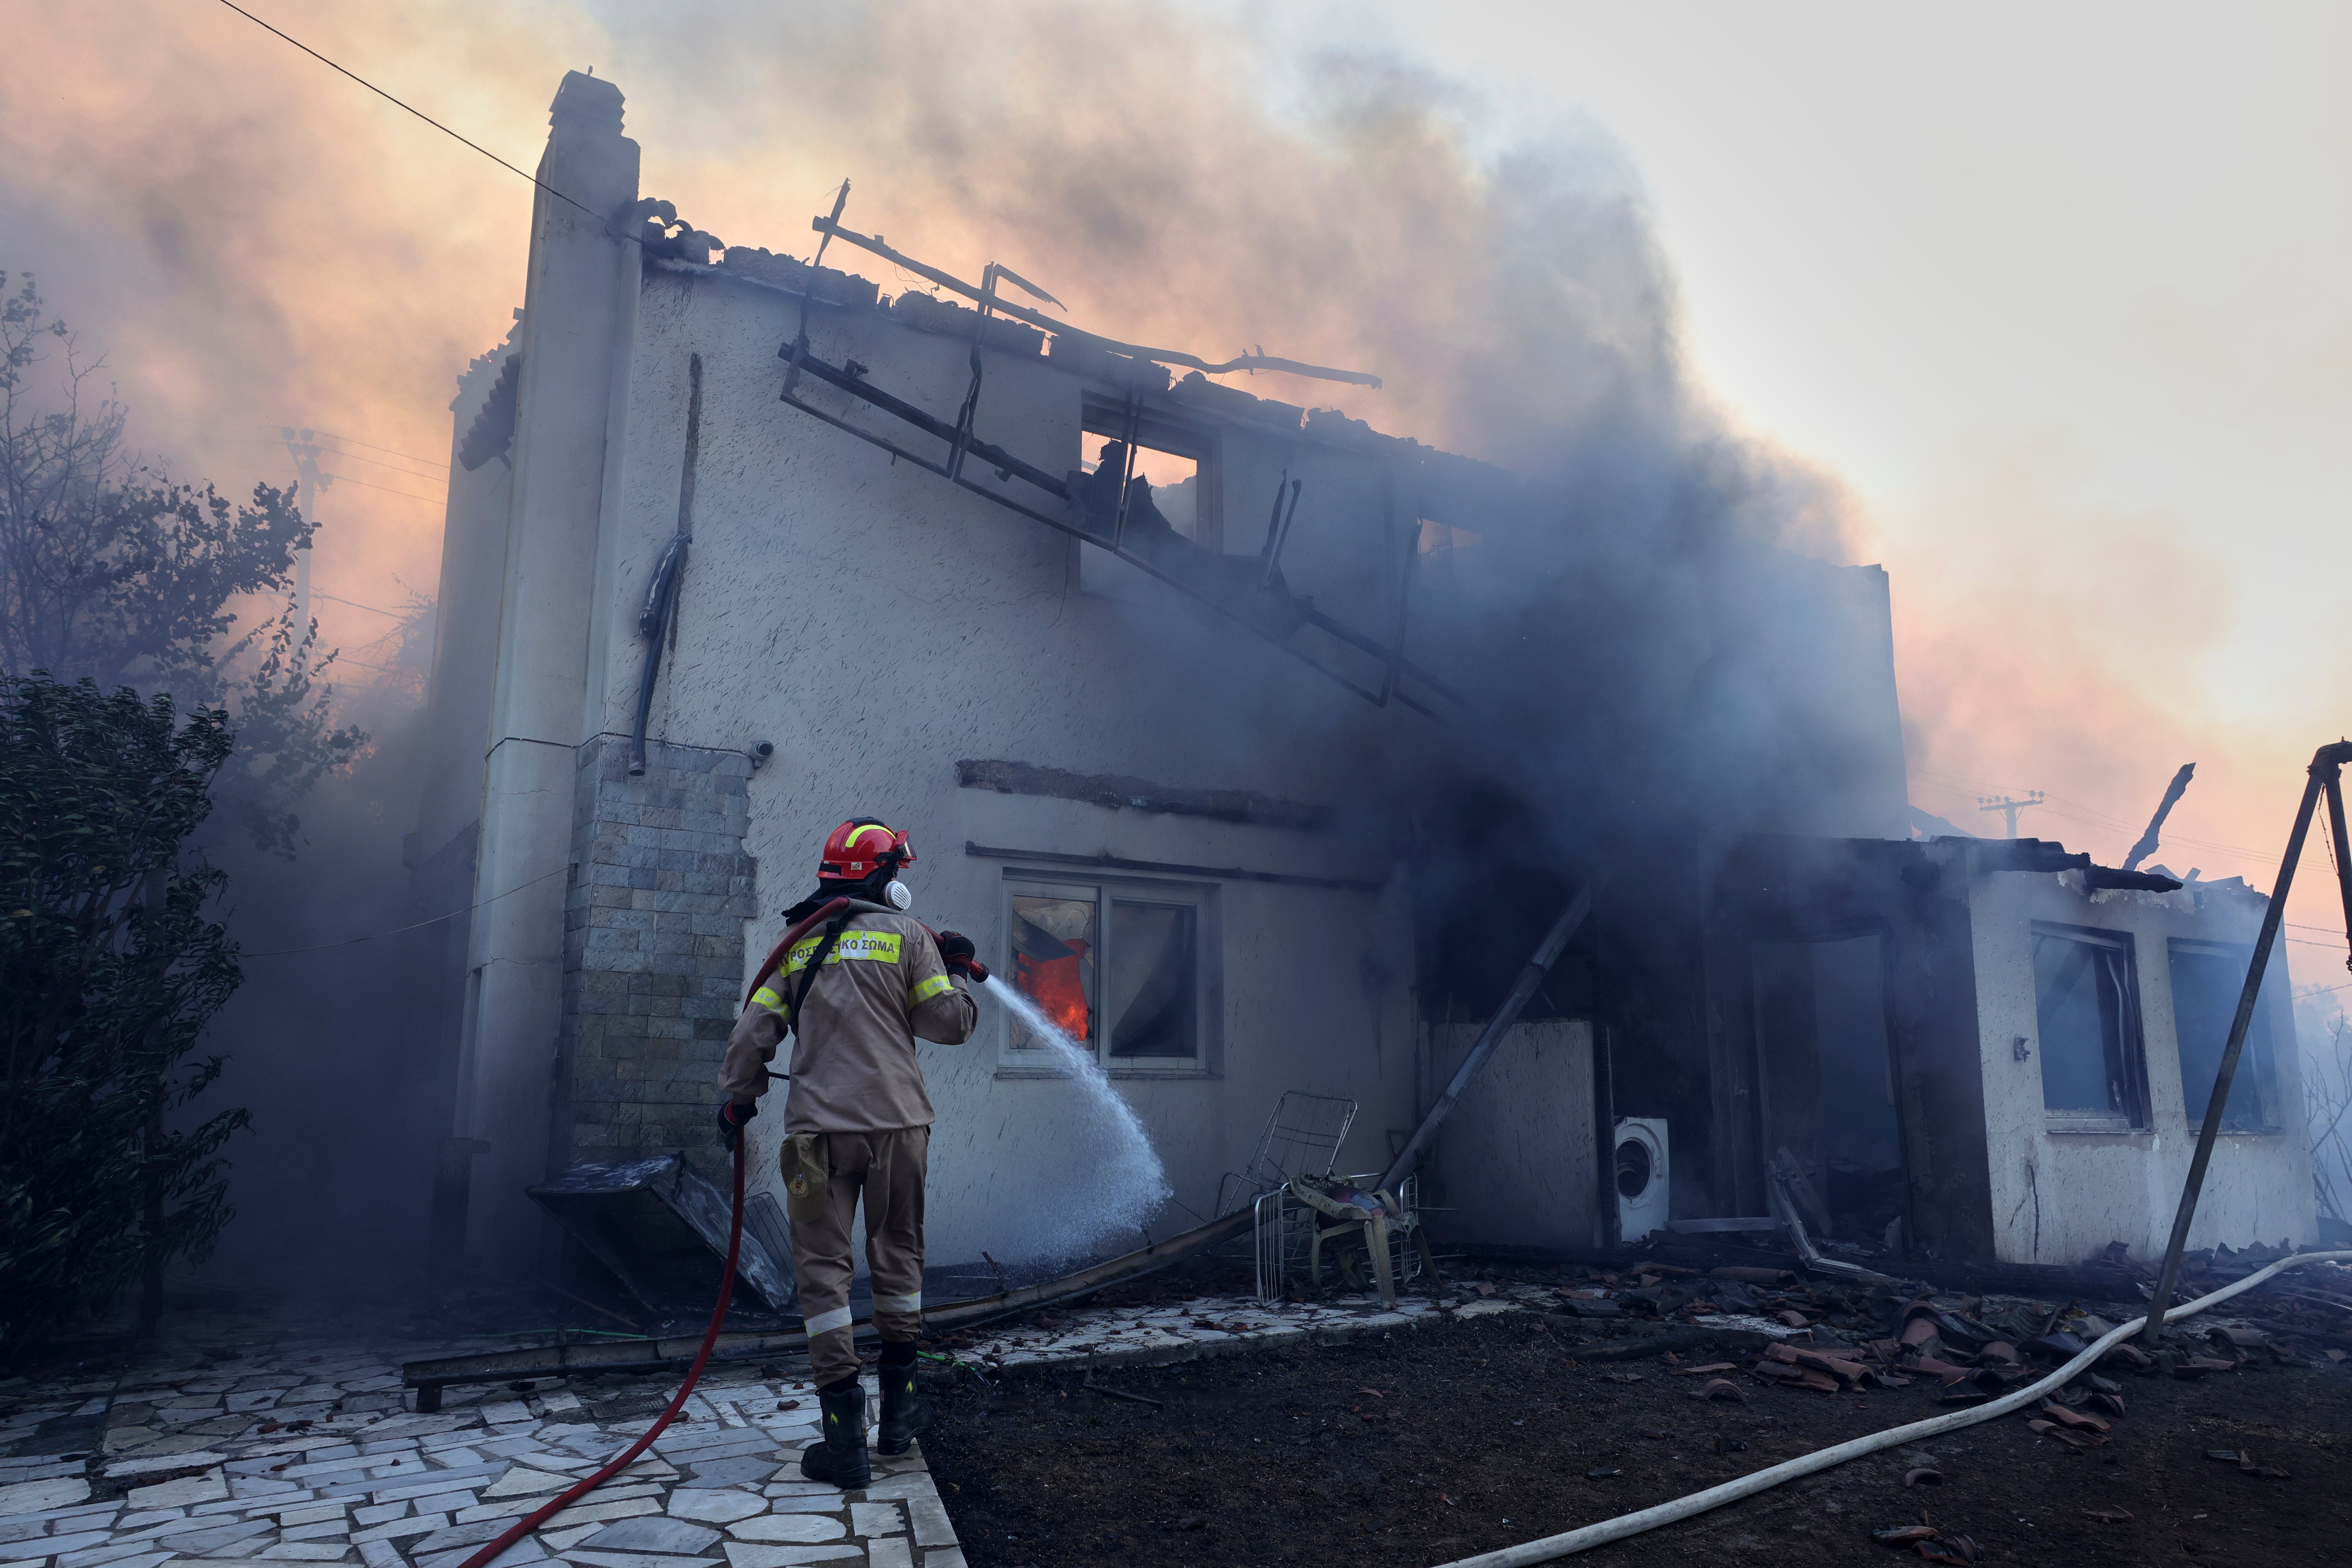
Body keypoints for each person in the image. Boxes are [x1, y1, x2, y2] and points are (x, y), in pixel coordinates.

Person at [717, 818, 983, 1488]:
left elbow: (754, 1031)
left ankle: (845, 1445)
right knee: (898, 1260)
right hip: (899, 1128)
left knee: (823, 1278)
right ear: (887, 879)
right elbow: (947, 1027)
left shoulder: (797, 943)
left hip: (815, 1137)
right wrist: (952, 969)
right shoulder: (907, 937)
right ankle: (899, 1419)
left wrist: (738, 1100)